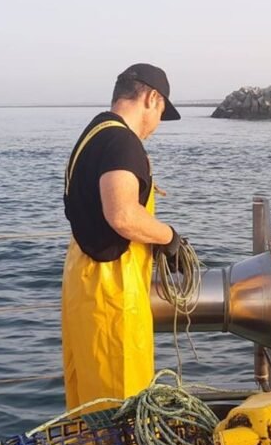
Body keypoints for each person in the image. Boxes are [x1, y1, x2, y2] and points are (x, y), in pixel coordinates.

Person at [60, 63, 186, 410]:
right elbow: (123, 214)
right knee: (121, 403)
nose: (157, 125)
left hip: (83, 284)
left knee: (88, 402)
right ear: (152, 98)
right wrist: (169, 237)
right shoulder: (122, 142)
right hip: (112, 294)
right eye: (161, 112)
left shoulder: (93, 134)